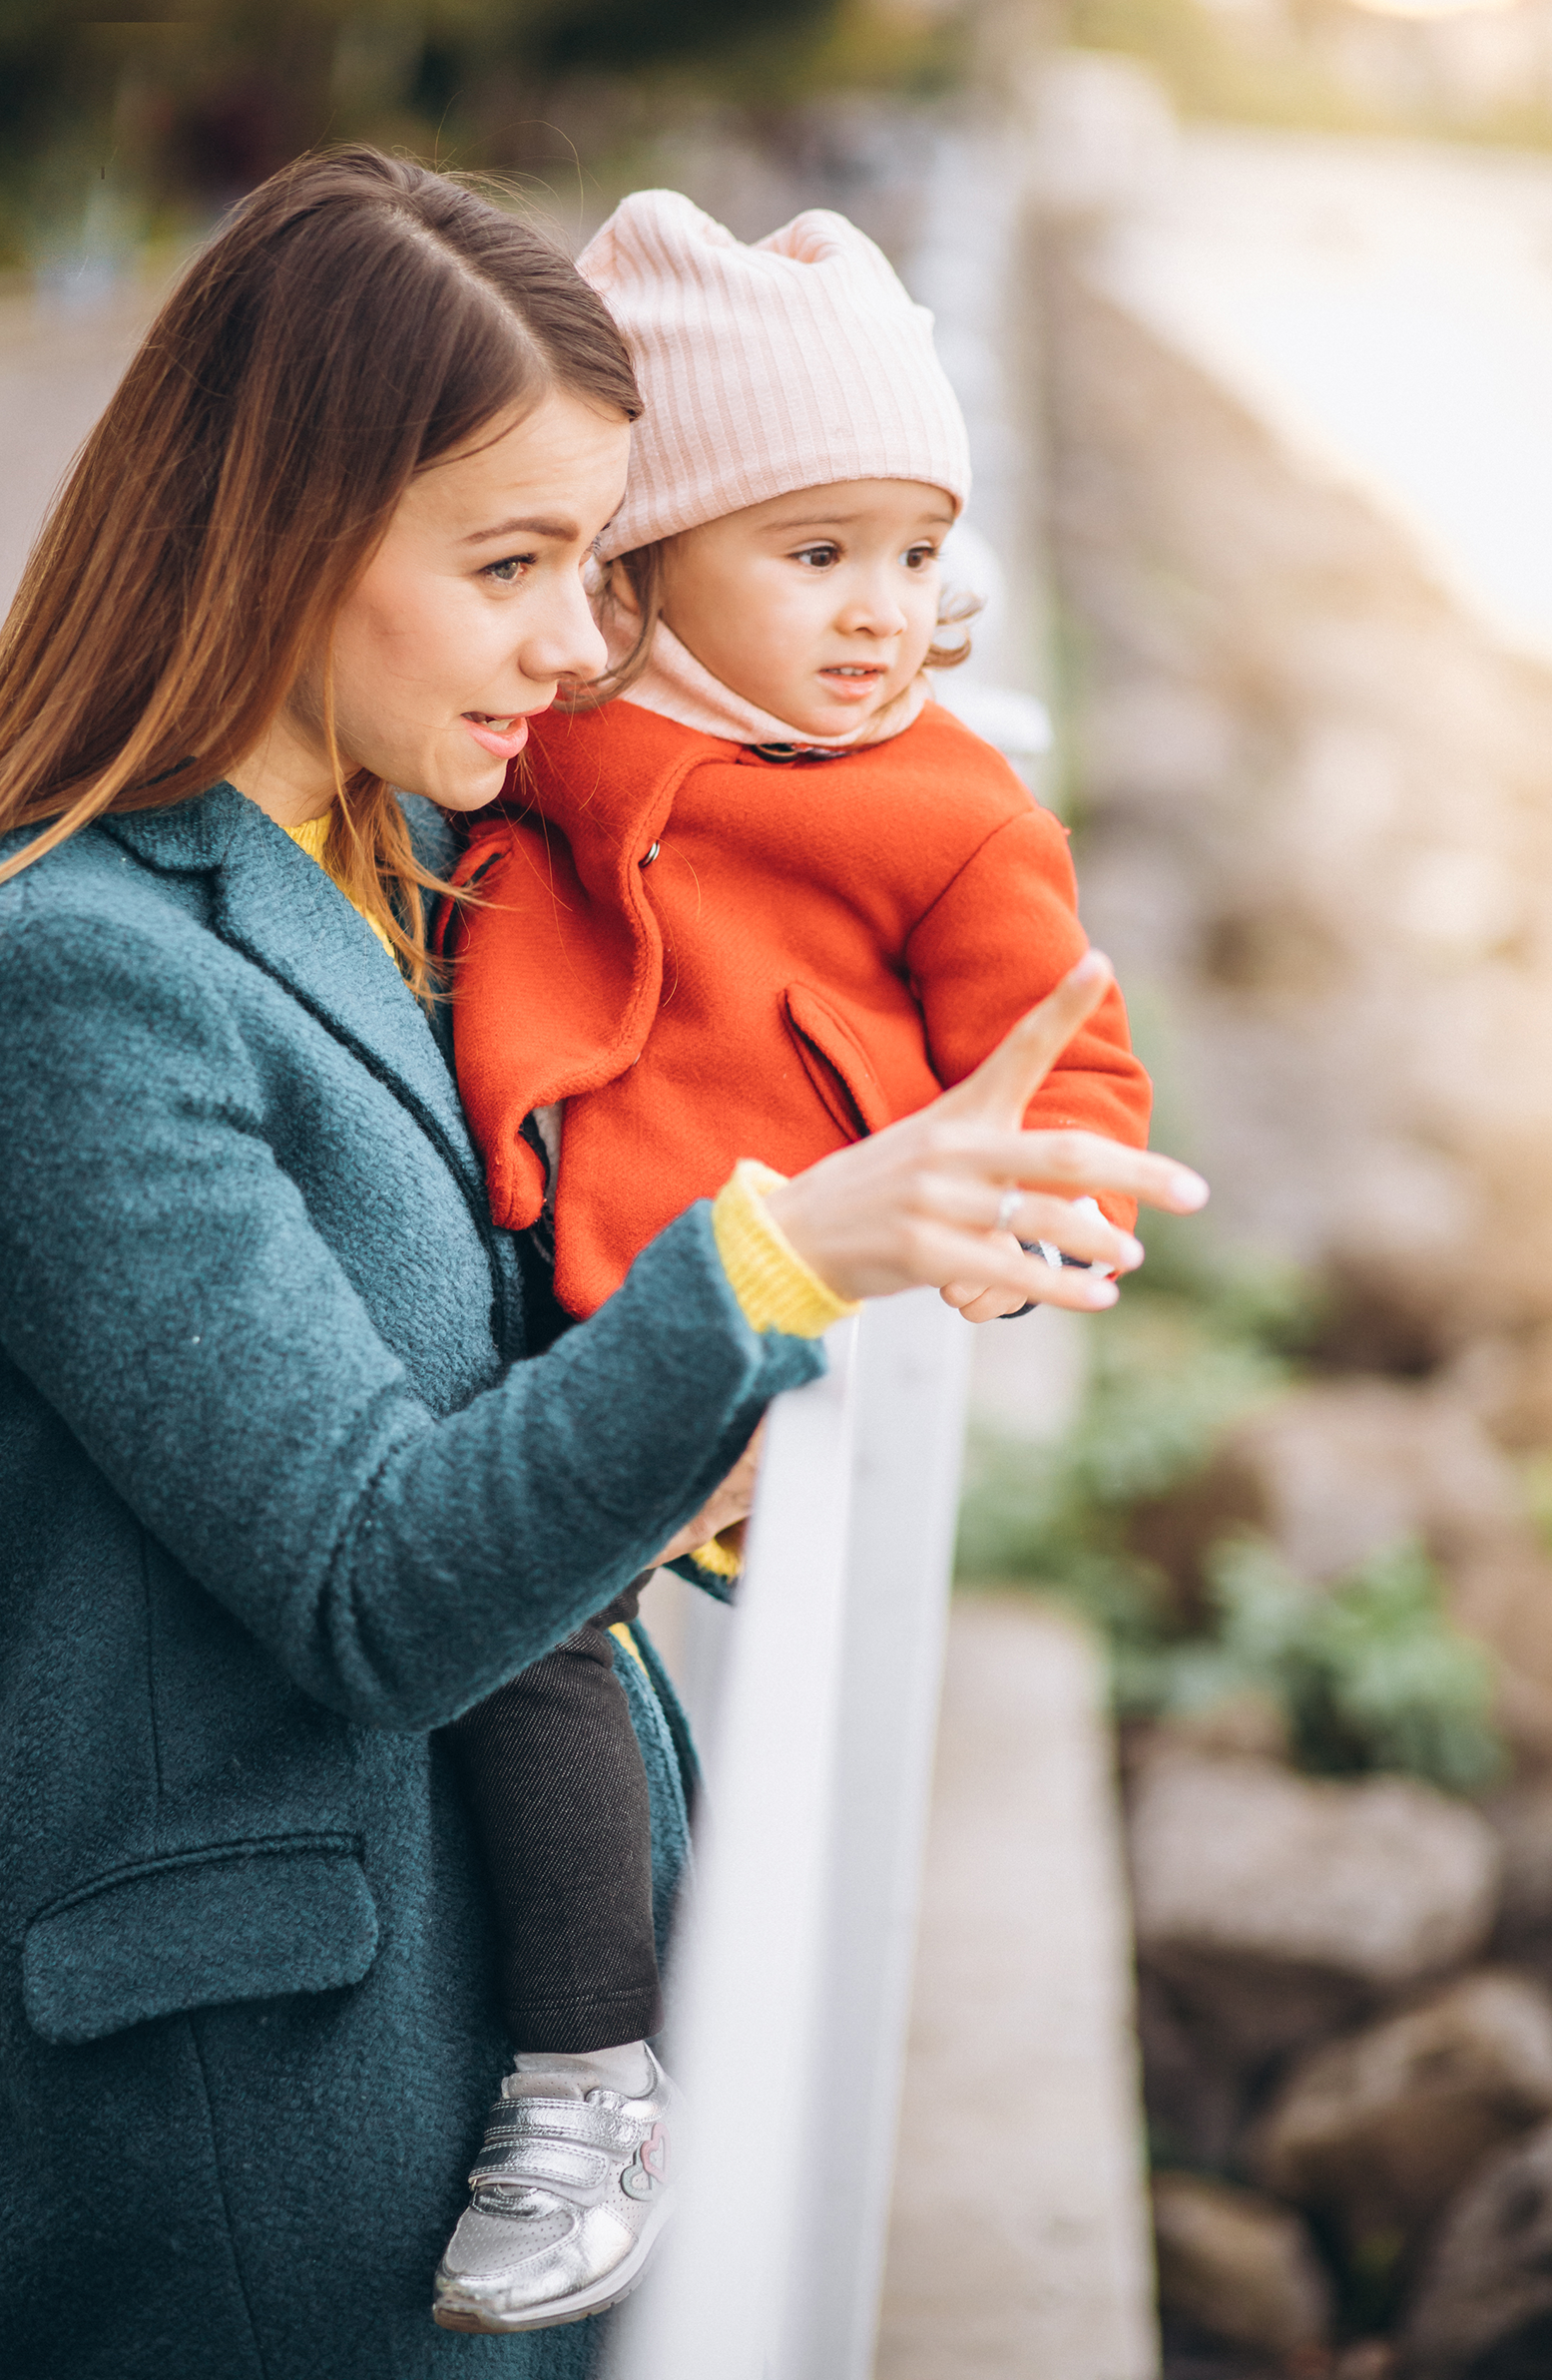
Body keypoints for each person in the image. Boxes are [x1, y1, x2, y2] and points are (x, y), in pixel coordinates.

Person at [0, 147, 1206, 2380]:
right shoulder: (65, 986)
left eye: (601, 563)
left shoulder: (400, 858)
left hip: (458, 2031)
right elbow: (367, 1580)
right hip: (265, 2115)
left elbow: (747, 831)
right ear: (279, 535)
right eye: (514, 563)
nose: (576, 640)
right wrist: (780, 1263)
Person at [431, 192, 1155, 2333]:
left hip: (742, 1319)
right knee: (506, 1617)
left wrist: (1034, 1216)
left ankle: (585, 2074)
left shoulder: (937, 807)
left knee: (526, 1627)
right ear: (642, 570)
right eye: (811, 552)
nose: (878, 614)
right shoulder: (553, 722)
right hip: (548, 1280)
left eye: (915, 557)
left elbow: (1068, 1066)